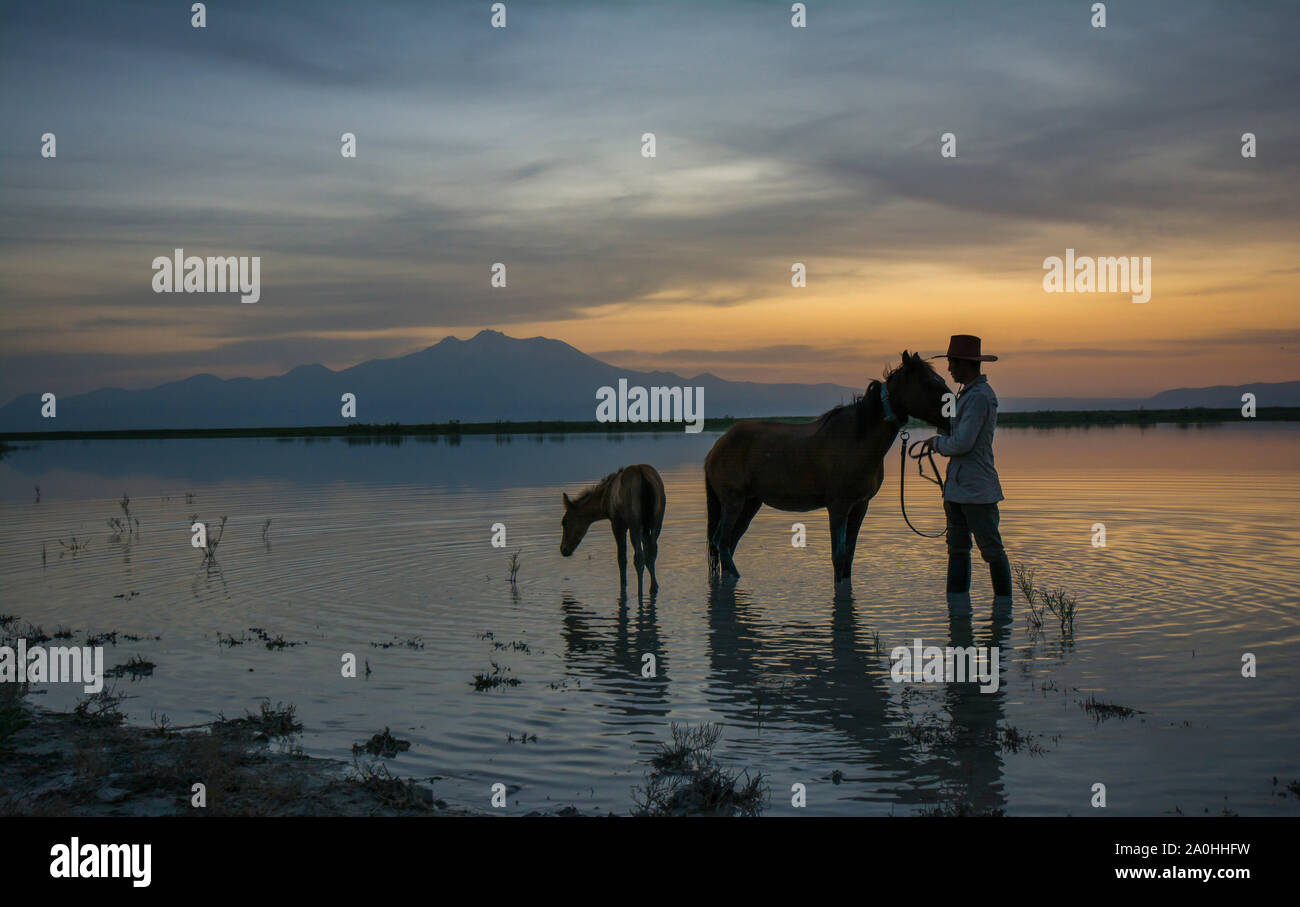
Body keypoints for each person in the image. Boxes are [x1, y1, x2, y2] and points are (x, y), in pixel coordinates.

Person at [917, 335, 1013, 617]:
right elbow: (956, 435)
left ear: (964, 364)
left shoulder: (980, 397)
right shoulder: (966, 396)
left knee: (991, 550)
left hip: (977, 490)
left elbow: (962, 443)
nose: (949, 369)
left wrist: (936, 443)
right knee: (957, 550)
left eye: (951, 363)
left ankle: (1002, 612)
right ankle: (959, 613)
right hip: (958, 489)